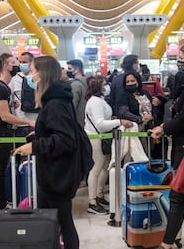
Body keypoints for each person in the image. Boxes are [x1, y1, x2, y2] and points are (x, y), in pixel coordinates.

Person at [13, 56, 83, 249]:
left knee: (62, 223)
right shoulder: (56, 99)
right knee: (54, 223)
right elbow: (61, 131)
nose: (30, 75)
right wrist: (42, 133)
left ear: (42, 74)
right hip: (55, 173)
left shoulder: (55, 103)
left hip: (57, 175)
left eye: (33, 71)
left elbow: (65, 140)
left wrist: (35, 146)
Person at [150, 42, 184, 249]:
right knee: (183, 196)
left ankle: (168, 243)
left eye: (182, 59)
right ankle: (171, 241)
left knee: (179, 195)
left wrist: (163, 128)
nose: (181, 64)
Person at [0, 53, 35, 210]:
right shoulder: (0, 88)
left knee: (0, 168)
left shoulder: (3, 88)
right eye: (13, 63)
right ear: (5, 66)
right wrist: (27, 121)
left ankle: (1, 201)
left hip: (4, 132)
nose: (16, 66)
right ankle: (0, 205)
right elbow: (4, 116)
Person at [84, 76, 132, 215]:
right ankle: (92, 202)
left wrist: (112, 119)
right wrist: (119, 122)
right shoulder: (95, 102)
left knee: (105, 167)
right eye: (105, 84)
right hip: (95, 138)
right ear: (98, 86)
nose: (107, 86)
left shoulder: (100, 100)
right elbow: (100, 124)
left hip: (100, 137)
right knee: (96, 169)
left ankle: (99, 195)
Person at [9, 52, 38, 137]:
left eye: (24, 62)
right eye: (20, 62)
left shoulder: (40, 78)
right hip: (21, 122)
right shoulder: (14, 79)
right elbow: (9, 99)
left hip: (37, 122)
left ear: (32, 62)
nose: (21, 65)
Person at [67, 59, 87, 127]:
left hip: (78, 122)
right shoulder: (89, 83)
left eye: (70, 68)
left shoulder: (75, 85)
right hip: (87, 121)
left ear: (77, 69)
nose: (68, 71)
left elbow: (72, 106)